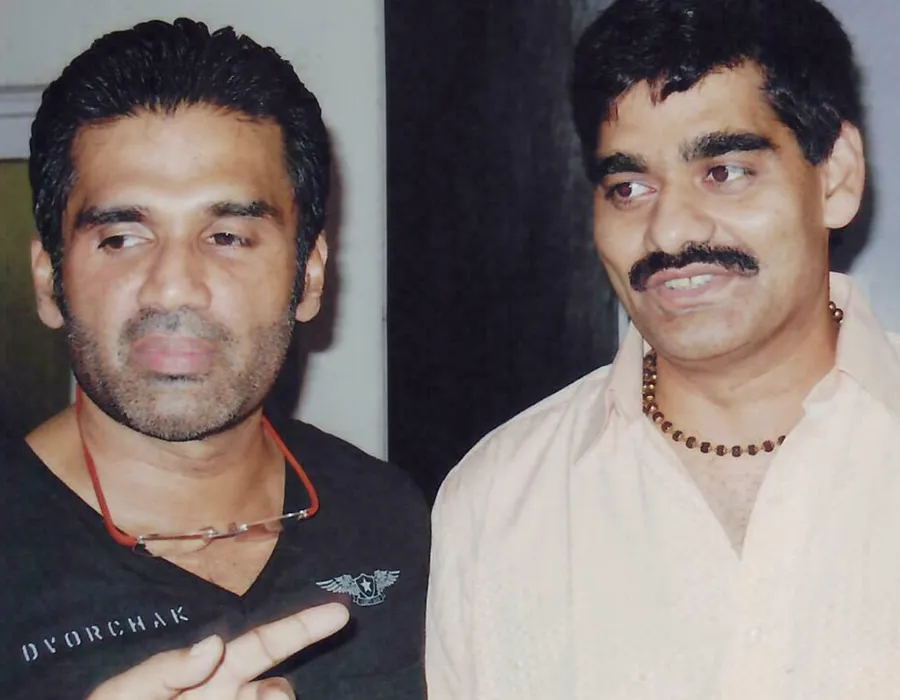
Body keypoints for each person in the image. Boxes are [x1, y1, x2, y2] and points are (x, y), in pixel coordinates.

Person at [425, 0, 900, 697]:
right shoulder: (497, 502)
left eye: (724, 171)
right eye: (629, 187)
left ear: (836, 177)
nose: (670, 231)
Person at [0, 18, 429, 700]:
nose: (173, 286)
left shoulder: (394, 522)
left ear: (309, 277)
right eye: (120, 237)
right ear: (49, 281)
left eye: (227, 236)